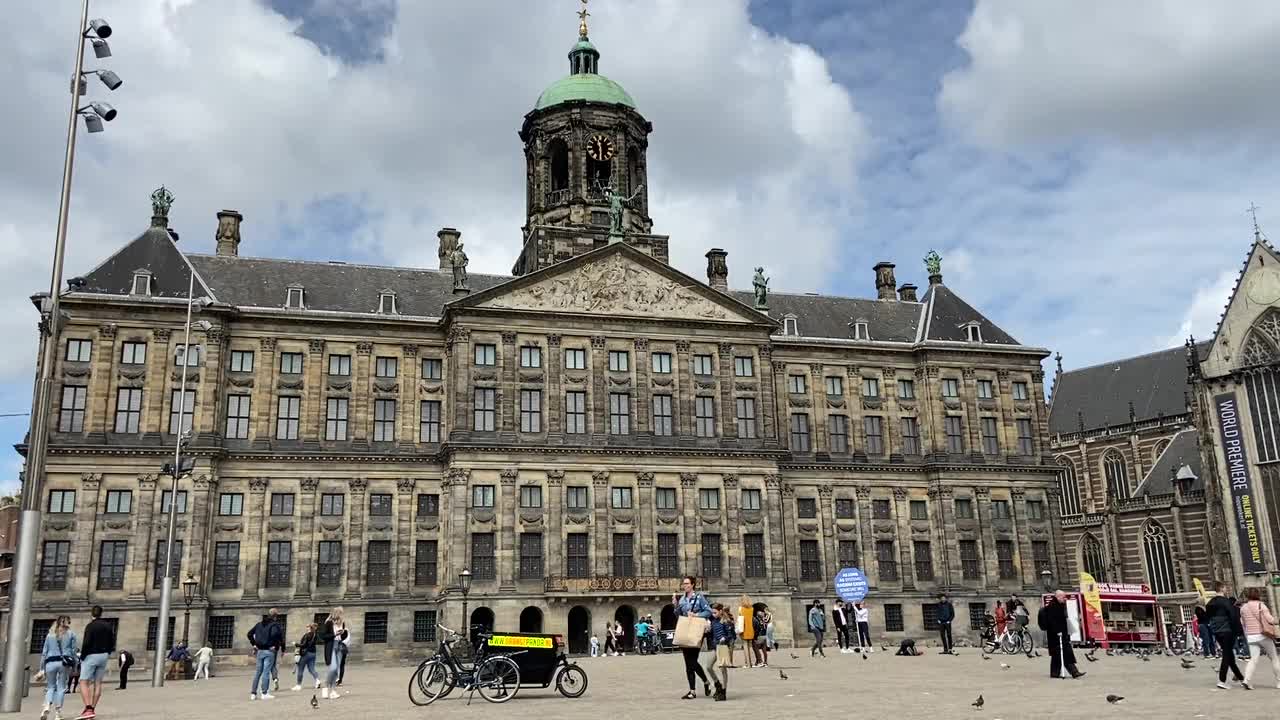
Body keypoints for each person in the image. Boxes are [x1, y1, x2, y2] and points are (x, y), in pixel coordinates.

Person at [673, 576, 713, 700]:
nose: (685, 586)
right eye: (683, 584)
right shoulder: (682, 600)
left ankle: (705, 682)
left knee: (693, 661)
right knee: (688, 663)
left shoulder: (699, 597)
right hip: (685, 631)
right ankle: (693, 690)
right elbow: (678, 615)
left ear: (693, 585)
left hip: (696, 632)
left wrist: (696, 615)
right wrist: (675, 606)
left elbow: (708, 612)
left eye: (687, 583)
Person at [75, 605, 115, 720]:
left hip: (91, 655)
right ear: (101, 613)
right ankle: (92, 708)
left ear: (91, 613)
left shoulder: (90, 626)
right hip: (103, 656)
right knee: (98, 683)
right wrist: (107, 652)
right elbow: (112, 641)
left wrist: (82, 657)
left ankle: (88, 708)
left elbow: (86, 642)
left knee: (83, 681)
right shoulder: (108, 626)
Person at [1206, 581, 1245, 689]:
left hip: (1217, 631)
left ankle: (1241, 678)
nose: (1226, 589)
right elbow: (1233, 617)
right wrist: (1239, 631)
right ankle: (1221, 680)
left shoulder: (1210, 603)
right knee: (1227, 655)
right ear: (1222, 588)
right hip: (1227, 630)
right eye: (1225, 588)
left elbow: (1208, 617)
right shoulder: (1226, 602)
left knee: (1229, 655)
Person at [1239, 586, 1280, 689]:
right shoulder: (1261, 605)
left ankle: (1246, 680)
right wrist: (1277, 620)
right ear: (1258, 595)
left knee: (1253, 659)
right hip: (1263, 635)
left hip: (1251, 637)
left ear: (1248, 596)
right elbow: (1270, 620)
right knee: (1274, 658)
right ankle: (1279, 682)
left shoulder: (1243, 608)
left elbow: (1243, 623)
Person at [1039, 591, 1085, 680]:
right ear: (1058, 597)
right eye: (1063, 597)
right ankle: (1074, 672)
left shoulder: (1059, 605)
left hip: (1061, 634)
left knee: (1058, 655)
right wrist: (1057, 631)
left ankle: (1055, 673)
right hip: (1056, 635)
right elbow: (1052, 621)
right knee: (1064, 653)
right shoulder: (1053, 606)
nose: (1065, 599)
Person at [40, 616, 77, 720]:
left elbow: (44, 653)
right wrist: (75, 665)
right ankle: (58, 713)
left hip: (50, 662)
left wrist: (41, 668)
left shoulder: (49, 635)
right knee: (61, 687)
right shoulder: (71, 634)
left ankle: (46, 706)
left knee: (50, 687)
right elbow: (74, 651)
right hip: (63, 663)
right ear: (68, 623)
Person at [247, 608, 284, 700]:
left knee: (258, 672)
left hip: (260, 651)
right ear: (275, 616)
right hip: (269, 650)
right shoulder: (275, 625)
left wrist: (254, 644)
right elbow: (276, 635)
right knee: (266, 672)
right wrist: (276, 646)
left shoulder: (259, 624)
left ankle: (253, 693)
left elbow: (249, 634)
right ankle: (264, 693)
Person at [317, 606, 349, 700]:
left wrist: (343, 632)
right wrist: (335, 634)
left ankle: (333, 691)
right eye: (341, 613)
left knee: (336, 670)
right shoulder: (328, 623)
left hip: (339, 646)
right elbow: (322, 636)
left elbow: (343, 637)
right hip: (331, 646)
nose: (342, 615)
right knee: (333, 668)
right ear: (337, 613)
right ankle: (326, 686)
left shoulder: (342, 623)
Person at [705, 604, 734, 701]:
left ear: (721, 611)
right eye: (712, 612)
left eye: (715, 612)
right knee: (708, 666)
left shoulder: (726, 621)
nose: (713, 614)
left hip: (723, 647)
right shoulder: (713, 621)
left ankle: (723, 692)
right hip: (715, 646)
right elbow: (711, 634)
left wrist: (724, 638)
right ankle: (717, 684)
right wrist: (707, 630)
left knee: (723, 669)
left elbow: (731, 635)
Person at [292, 623, 321, 691]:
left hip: (305, 654)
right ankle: (317, 680)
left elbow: (304, 645)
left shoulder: (307, 635)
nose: (306, 628)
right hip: (313, 653)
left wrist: (296, 644)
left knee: (300, 669)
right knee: (311, 668)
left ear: (310, 628)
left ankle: (298, 685)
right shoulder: (315, 635)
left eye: (307, 627)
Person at [737, 595, 756, 667]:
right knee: (749, 646)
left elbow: (739, 619)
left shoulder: (740, 608)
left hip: (743, 628)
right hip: (750, 628)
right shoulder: (752, 608)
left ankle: (747, 664)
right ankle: (750, 663)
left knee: (745, 646)